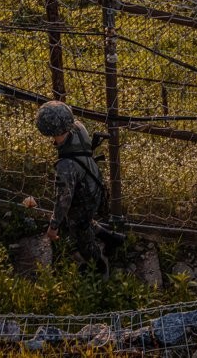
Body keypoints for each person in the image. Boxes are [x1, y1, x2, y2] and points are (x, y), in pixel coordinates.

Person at [36, 100, 121, 277]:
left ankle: (97, 266)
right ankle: (112, 238)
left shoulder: (66, 166)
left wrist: (54, 226)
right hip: (94, 181)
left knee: (82, 232)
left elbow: (63, 201)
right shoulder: (78, 127)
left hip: (84, 198)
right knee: (86, 220)